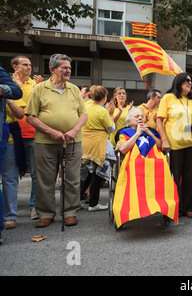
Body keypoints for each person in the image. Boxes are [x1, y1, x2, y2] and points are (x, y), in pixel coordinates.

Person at [25, 54, 87, 228]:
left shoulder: (74, 89)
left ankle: (70, 212)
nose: (68, 70)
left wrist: (74, 130)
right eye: (64, 67)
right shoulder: (39, 89)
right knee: (45, 179)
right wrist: (51, 132)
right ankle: (45, 213)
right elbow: (30, 116)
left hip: (73, 142)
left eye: (69, 67)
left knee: (73, 178)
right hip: (45, 142)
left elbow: (83, 114)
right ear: (52, 69)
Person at [114, 108, 179, 228]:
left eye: (141, 116)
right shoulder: (125, 133)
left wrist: (149, 133)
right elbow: (123, 149)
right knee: (137, 168)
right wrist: (138, 133)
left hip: (156, 162)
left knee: (162, 168)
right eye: (136, 116)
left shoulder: (152, 132)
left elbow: (160, 147)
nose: (140, 117)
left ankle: (163, 207)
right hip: (136, 163)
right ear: (129, 122)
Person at [156, 73, 192, 218]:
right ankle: (174, 207)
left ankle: (188, 208)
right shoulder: (168, 98)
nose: (190, 82)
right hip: (174, 144)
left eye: (191, 81)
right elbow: (159, 120)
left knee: (189, 176)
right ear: (179, 82)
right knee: (174, 177)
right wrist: (164, 139)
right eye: (187, 80)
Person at [11, 56, 42, 221]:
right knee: (11, 175)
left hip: (32, 134)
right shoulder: (7, 83)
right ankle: (10, 209)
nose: (29, 67)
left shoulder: (35, 85)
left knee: (36, 173)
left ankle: (33, 207)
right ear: (15, 67)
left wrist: (40, 89)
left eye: (30, 64)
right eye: (25, 65)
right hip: (12, 134)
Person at [80, 85, 115, 212]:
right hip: (98, 145)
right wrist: (111, 114)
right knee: (97, 174)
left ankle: (77, 199)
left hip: (84, 143)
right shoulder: (102, 111)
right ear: (105, 97)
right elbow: (111, 128)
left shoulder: (86, 106)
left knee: (87, 173)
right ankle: (93, 203)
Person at [0, 66, 23, 244]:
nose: (28, 67)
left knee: (10, 177)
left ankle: (8, 217)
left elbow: (17, 93)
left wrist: (3, 91)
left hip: (11, 135)